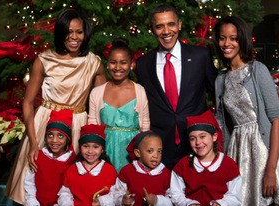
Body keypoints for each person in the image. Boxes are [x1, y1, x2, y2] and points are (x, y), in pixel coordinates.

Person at [5, 8, 106, 204]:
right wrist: (34, 143)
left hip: (77, 124)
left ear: (86, 34)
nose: (74, 37)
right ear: (60, 33)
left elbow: (101, 105)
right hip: (45, 124)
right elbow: (27, 102)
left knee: (73, 186)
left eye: (79, 32)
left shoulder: (94, 62)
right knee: (38, 181)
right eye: (68, 32)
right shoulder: (44, 60)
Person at [213, 16, 279, 205]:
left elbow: (277, 119)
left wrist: (271, 170)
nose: (227, 43)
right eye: (222, 38)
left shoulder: (257, 70)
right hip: (237, 150)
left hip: (264, 149)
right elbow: (221, 123)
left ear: (242, 40)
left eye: (233, 38)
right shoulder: (220, 80)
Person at [135, 4, 219, 169]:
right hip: (160, 146)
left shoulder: (200, 56)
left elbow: (217, 93)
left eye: (171, 24)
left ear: (179, 24)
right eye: (159, 26)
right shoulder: (143, 64)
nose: (166, 31)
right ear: (152, 29)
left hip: (196, 143)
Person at [88, 38, 150, 172]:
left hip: (132, 153)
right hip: (105, 151)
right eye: (113, 62)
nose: (117, 67)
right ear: (107, 64)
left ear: (131, 64)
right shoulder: (97, 92)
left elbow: (145, 127)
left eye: (123, 63)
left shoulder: (139, 90)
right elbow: (92, 127)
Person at [170, 110, 242, 206]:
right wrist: (188, 203)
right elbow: (175, 194)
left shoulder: (228, 164)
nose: (198, 142)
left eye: (202, 136)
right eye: (192, 138)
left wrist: (220, 204)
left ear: (214, 137)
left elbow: (235, 196)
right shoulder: (183, 165)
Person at [97, 131, 172, 205]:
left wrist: (157, 200)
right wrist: (122, 199)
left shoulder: (166, 174)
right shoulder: (127, 171)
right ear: (138, 153)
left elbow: (173, 199)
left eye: (159, 151)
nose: (156, 155)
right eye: (150, 151)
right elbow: (115, 193)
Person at [23, 110, 76, 206]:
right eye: (50, 135)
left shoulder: (72, 161)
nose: (54, 140)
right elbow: (30, 183)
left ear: (67, 139)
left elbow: (71, 191)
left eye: (60, 136)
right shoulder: (38, 156)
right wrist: (33, 202)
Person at [57, 124, 117, 206]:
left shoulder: (109, 170)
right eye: (86, 146)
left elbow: (115, 194)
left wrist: (101, 201)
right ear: (80, 148)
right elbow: (65, 192)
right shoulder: (72, 169)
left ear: (102, 149)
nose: (90, 151)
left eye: (95, 147)